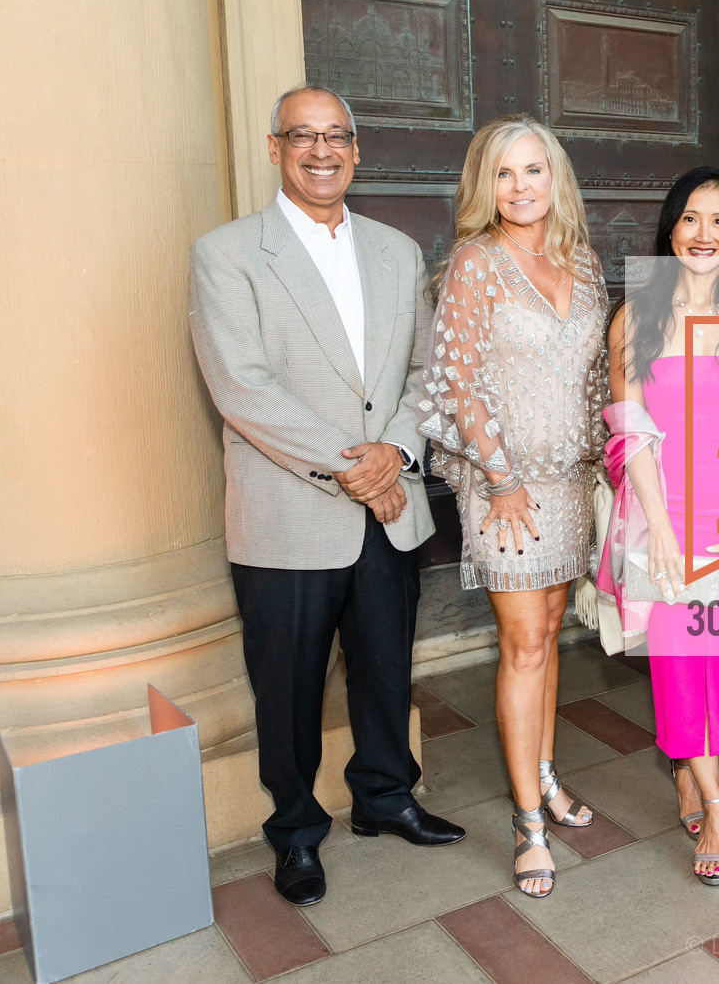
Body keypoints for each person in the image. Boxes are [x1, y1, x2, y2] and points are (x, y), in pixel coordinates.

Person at [189, 84, 464, 908]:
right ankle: (297, 831)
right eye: (302, 136)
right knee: (290, 685)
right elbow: (243, 388)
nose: (321, 150)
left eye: (335, 135)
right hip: (291, 513)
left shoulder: (395, 250)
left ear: (357, 148)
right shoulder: (228, 252)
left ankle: (385, 798)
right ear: (275, 148)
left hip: (391, 509)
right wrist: (357, 467)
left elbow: (423, 376)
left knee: (385, 669)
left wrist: (397, 452)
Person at [419, 114, 609, 898]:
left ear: (555, 177)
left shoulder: (584, 260)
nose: (521, 186)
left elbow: (597, 375)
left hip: (569, 481)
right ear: (484, 185)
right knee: (523, 642)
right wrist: (500, 478)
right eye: (504, 173)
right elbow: (458, 380)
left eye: (534, 170)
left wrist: (608, 467)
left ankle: (545, 773)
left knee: (551, 635)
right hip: (506, 488)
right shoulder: (474, 263)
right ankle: (529, 823)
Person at [599, 167, 719, 885]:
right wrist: (661, 532)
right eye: (689, 218)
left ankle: (690, 770)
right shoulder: (635, 318)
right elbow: (631, 433)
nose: (703, 233)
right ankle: (716, 801)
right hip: (664, 521)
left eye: (718, 220)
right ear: (670, 229)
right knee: (682, 669)